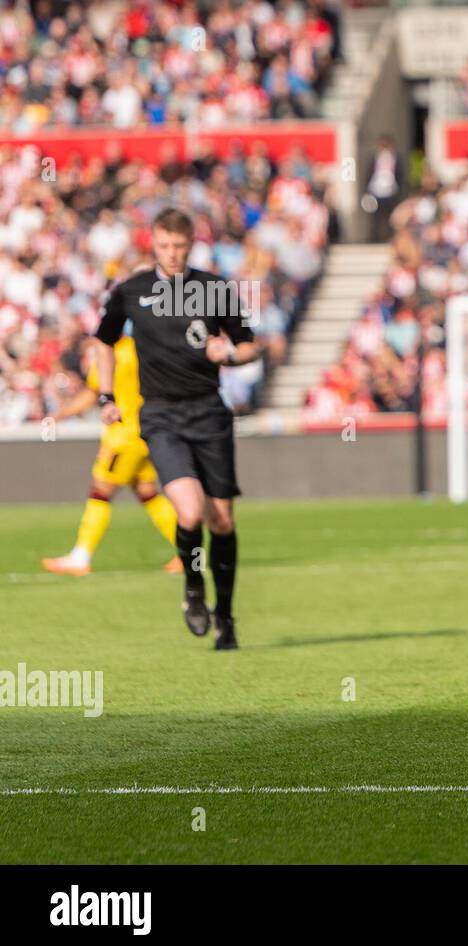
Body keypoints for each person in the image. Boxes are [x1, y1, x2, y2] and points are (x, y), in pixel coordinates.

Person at [94, 208, 262, 650]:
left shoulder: (213, 289)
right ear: (153, 243)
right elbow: (102, 341)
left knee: (221, 520)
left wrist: (227, 354)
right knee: (189, 513)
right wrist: (106, 397)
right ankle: (192, 587)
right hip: (162, 415)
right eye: (164, 246)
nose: (171, 254)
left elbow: (249, 346)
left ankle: (225, 615)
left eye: (179, 246)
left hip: (209, 413)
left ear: (192, 245)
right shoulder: (132, 290)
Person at [41, 332, 182, 577]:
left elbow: (92, 393)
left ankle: (80, 557)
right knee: (148, 493)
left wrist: (57, 416)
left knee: (100, 492)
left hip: (123, 436)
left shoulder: (113, 353)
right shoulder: (144, 348)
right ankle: (188, 552)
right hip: (146, 430)